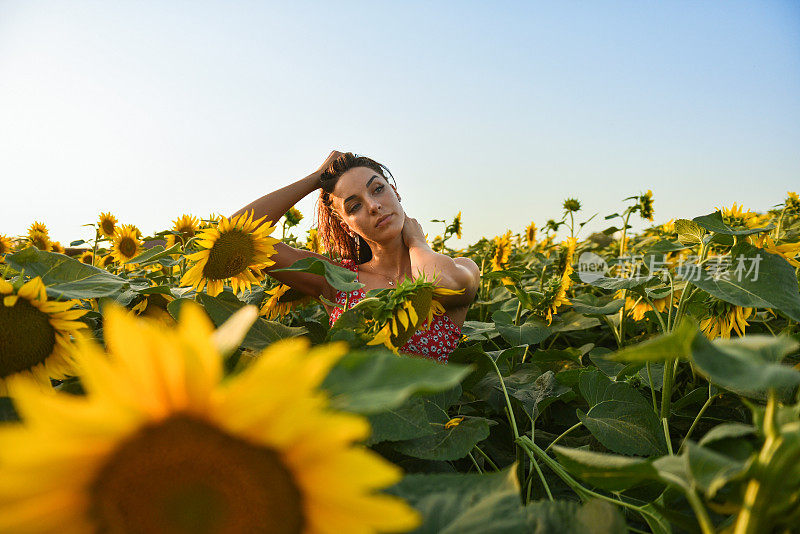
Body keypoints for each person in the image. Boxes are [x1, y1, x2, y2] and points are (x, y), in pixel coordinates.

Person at [232, 151, 480, 362]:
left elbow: (438, 283)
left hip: (425, 419)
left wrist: (416, 242)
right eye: (354, 206)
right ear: (346, 224)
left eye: (378, 189)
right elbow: (236, 238)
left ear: (395, 191)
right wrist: (314, 179)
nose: (373, 205)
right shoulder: (336, 280)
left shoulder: (461, 268)